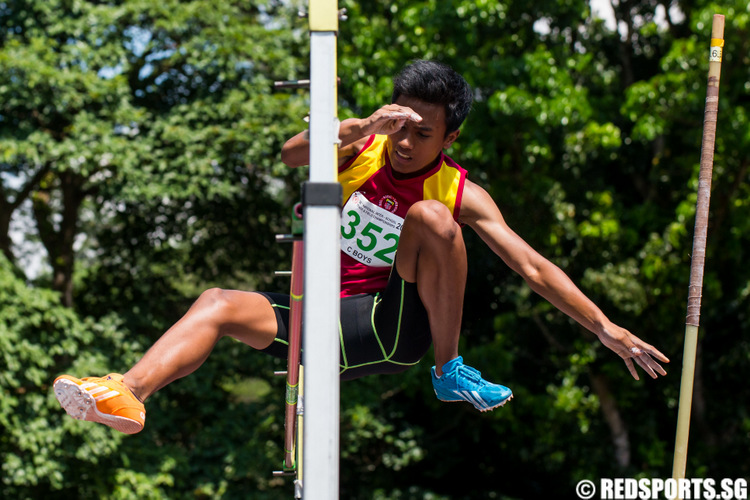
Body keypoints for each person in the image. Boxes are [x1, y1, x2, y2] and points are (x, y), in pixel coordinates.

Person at [53, 60, 668, 435]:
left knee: (432, 218)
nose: (406, 144)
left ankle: (450, 371)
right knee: (215, 300)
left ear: (450, 136)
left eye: (423, 135)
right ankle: (129, 393)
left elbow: (531, 265)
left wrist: (605, 327)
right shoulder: (369, 145)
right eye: (402, 126)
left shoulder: (458, 190)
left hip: (390, 321)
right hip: (323, 311)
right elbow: (292, 154)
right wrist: (359, 128)